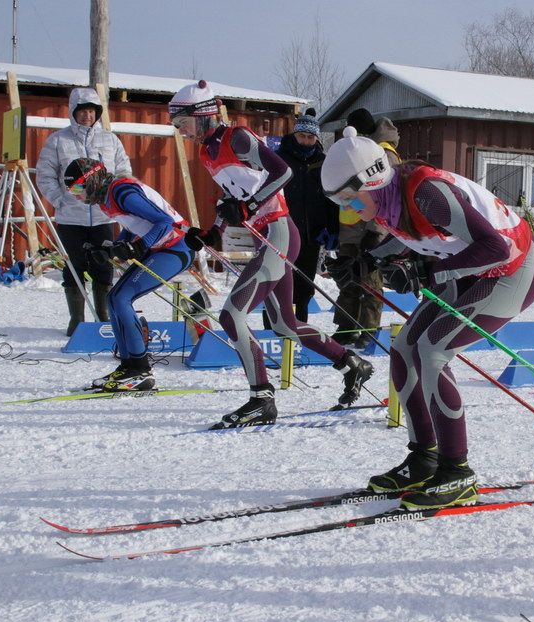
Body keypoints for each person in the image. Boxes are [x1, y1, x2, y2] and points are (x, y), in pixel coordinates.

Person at [321, 126, 534, 510]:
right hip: (467, 270)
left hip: (514, 268)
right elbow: (406, 236)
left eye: (348, 198)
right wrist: (366, 262)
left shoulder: (427, 193)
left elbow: (497, 246)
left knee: (432, 351)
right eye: (338, 201)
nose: (348, 210)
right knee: (404, 349)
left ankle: (457, 471)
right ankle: (424, 458)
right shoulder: (386, 200)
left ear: (370, 182)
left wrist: (426, 274)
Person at [169, 80, 373, 427]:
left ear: (201, 114)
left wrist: (247, 207)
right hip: (265, 235)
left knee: (232, 315)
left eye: (183, 124)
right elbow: (231, 198)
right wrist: (212, 232)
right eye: (177, 127)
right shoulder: (207, 152)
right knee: (284, 324)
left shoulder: (236, 137)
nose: (182, 132)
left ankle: (261, 397)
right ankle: (352, 364)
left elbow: (283, 172)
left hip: (279, 229)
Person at [62, 158, 194, 391]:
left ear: (93, 179)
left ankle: (140, 370)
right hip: (163, 248)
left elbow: (164, 222)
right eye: (71, 190)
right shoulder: (107, 197)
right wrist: (112, 248)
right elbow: (133, 224)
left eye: (78, 188)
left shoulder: (122, 192)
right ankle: (128, 366)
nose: (76, 195)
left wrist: (140, 247)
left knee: (121, 298)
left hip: (177, 247)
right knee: (114, 298)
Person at [36, 87, 132, 336]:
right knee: (74, 267)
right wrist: (60, 200)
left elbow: (123, 173)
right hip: (71, 219)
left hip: (102, 217)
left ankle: (103, 317)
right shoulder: (58, 141)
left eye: (92, 111)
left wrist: (118, 202)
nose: (87, 116)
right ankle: (77, 321)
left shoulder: (110, 140)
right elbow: (45, 175)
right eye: (82, 111)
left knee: (104, 266)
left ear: (98, 113)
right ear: (73, 113)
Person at [326, 107, 401, 348]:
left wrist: (375, 231)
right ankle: (346, 326)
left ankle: (369, 327)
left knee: (370, 280)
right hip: (349, 226)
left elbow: (386, 197)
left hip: (372, 228)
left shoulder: (384, 155)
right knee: (347, 277)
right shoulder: (353, 152)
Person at [276, 108, 339, 323]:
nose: (305, 141)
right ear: (295, 135)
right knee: (279, 283)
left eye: (310, 137)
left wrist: (332, 229)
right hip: (282, 231)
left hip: (313, 234)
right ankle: (273, 328)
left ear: (316, 138)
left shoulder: (323, 162)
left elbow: (332, 199)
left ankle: (300, 327)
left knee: (304, 285)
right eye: (302, 136)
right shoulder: (279, 159)